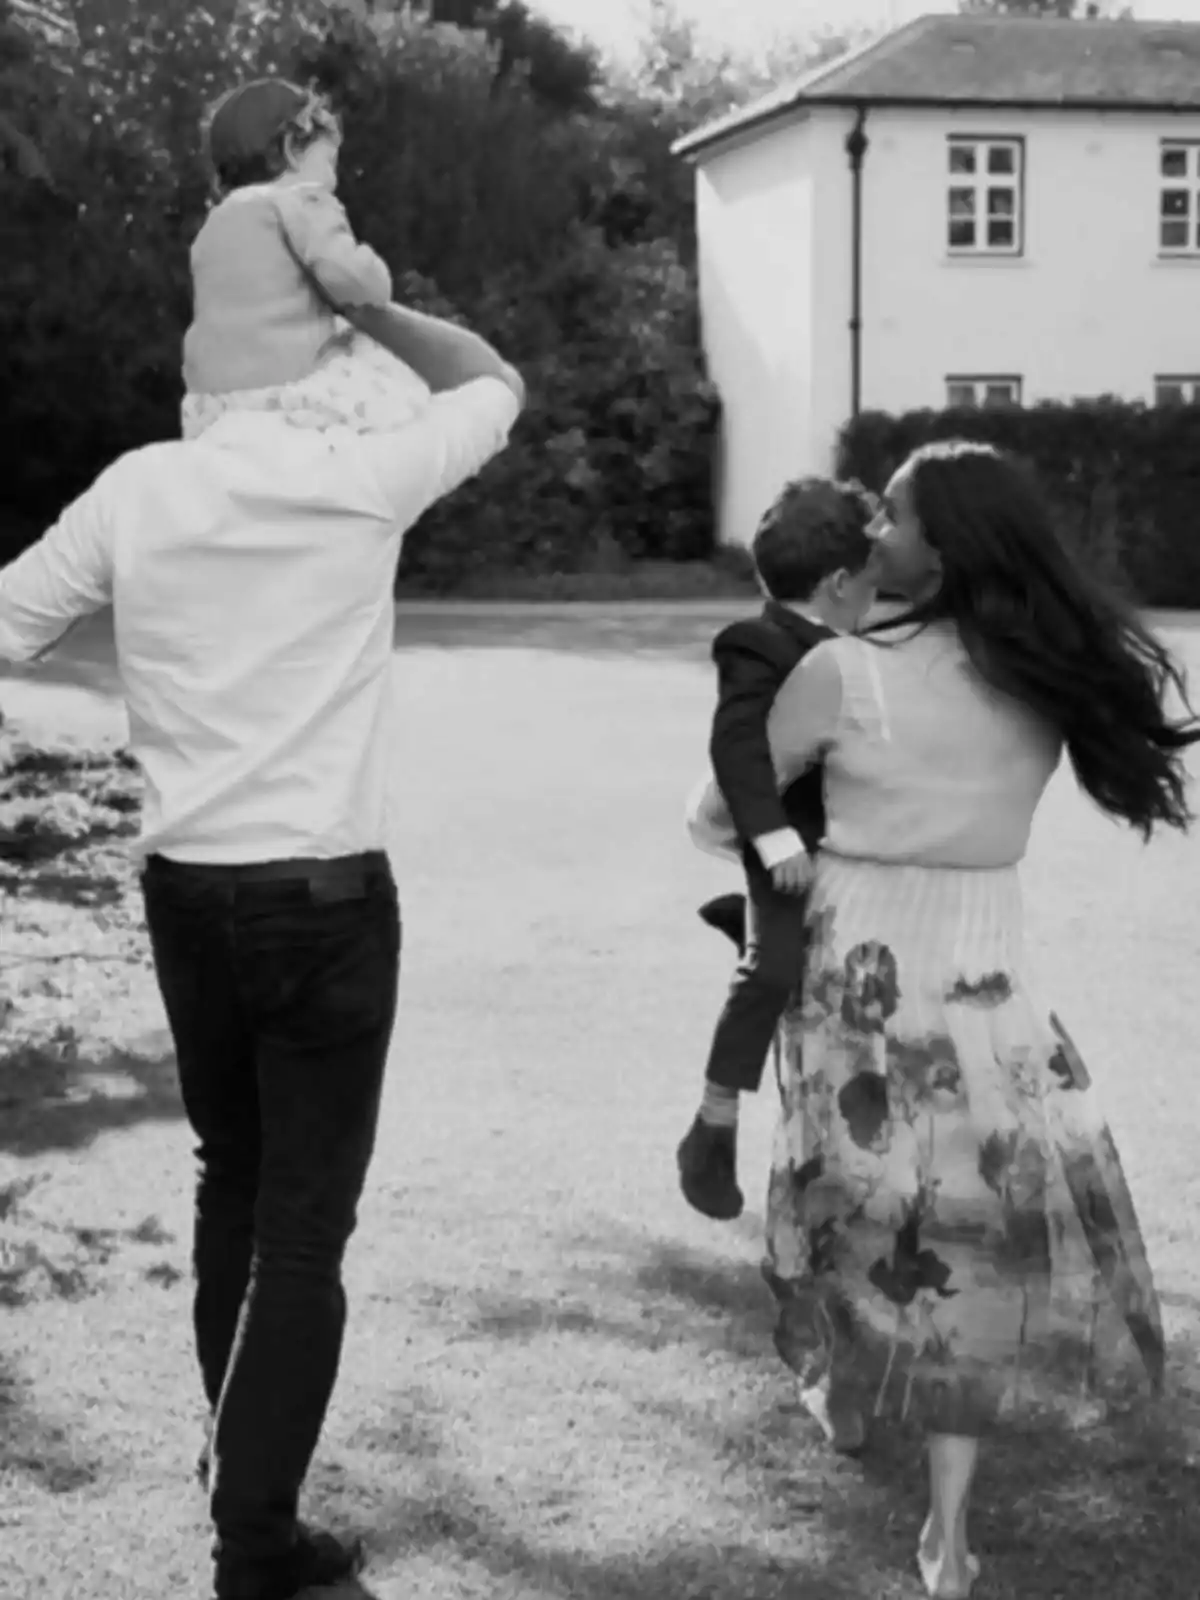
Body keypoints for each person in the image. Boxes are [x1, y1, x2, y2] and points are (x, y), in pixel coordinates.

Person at [0, 304, 525, 1600]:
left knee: (232, 1178)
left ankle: (235, 1461)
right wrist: (365, 295)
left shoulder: (141, 488)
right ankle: (257, 1544)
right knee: (299, 1232)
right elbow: (493, 380)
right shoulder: (360, 478)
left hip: (188, 895)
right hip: (322, 899)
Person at [752, 439, 1197, 1598]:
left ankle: (846, 1393)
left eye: (889, 516)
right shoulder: (1048, 671)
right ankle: (948, 1530)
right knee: (967, 1240)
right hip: (988, 978)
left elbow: (720, 810)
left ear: (940, 544)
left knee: (849, 1191)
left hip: (861, 974)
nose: (870, 536)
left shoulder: (842, 670)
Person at [677, 477, 880, 1223]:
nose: (875, 600)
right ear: (836, 584)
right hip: (783, 846)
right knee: (777, 972)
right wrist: (771, 837)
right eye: (870, 586)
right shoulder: (758, 645)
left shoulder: (858, 648)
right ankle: (712, 1127)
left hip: (854, 849)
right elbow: (736, 747)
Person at [182, 76, 431, 441]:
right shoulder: (300, 200)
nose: (333, 179)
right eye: (329, 162)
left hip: (210, 408)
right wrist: (375, 272)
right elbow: (352, 279)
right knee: (379, 354)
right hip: (284, 392)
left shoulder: (213, 228)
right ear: (292, 150)